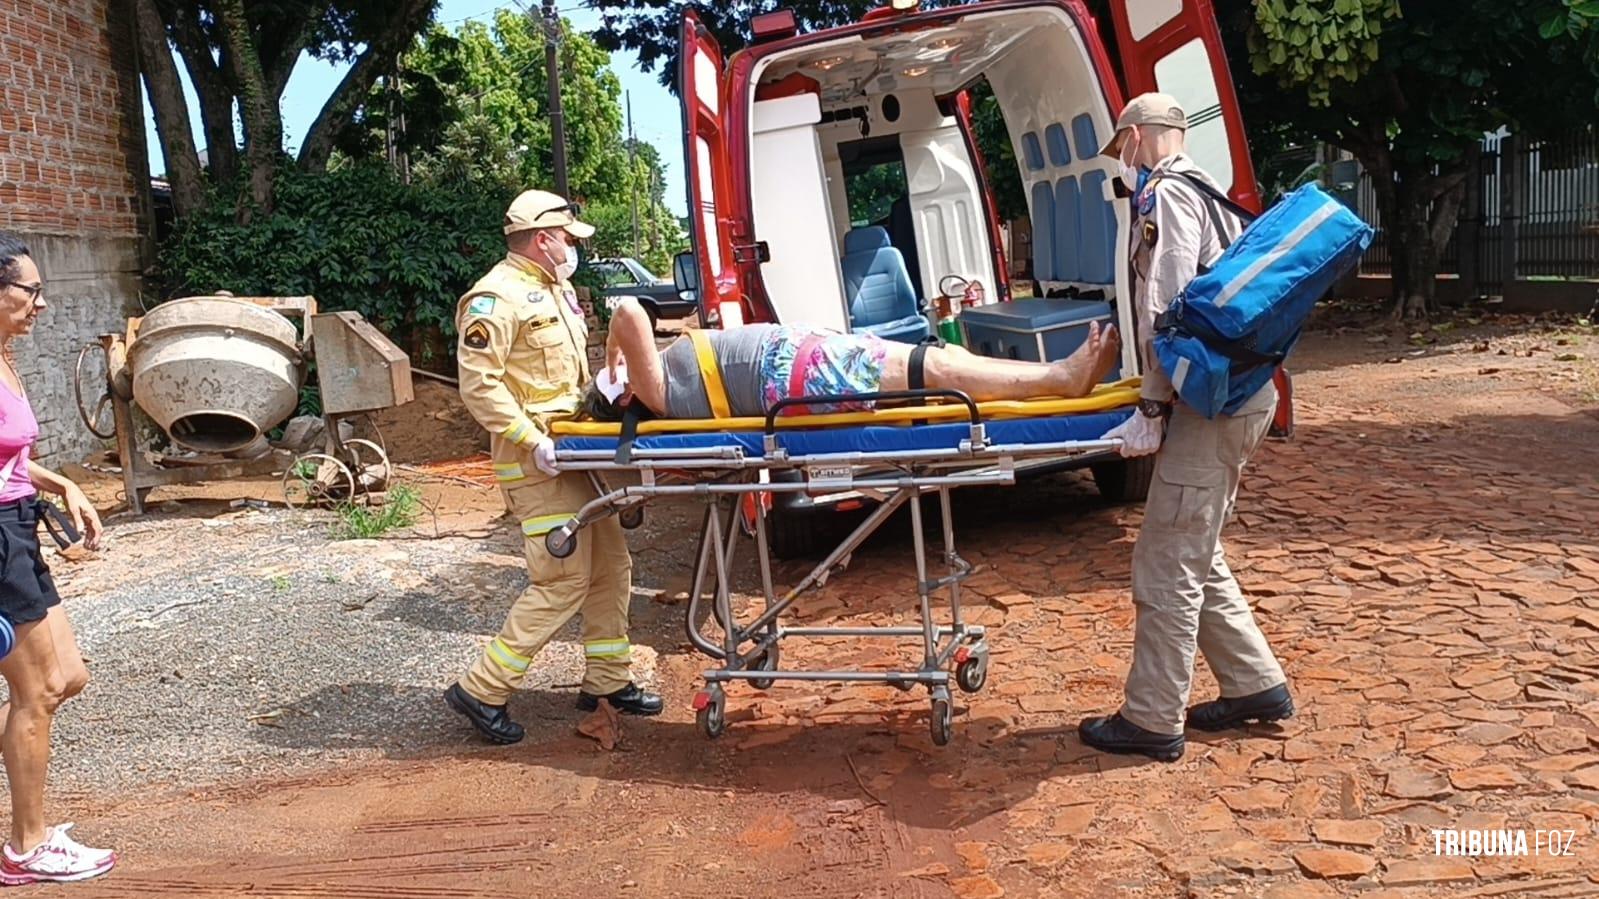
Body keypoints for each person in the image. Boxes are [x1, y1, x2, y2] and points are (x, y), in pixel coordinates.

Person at [1077, 94, 1293, 762]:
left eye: (1125, 150)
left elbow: (1162, 302)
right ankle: (1254, 684)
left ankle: (1150, 719)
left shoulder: (1166, 196)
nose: (1128, 163)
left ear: (1136, 137)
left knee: (1166, 558)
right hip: (1241, 395)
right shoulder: (1213, 194)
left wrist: (1148, 404)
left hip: (1213, 404)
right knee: (1194, 546)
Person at [443, 191, 662, 745]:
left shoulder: (555, 290)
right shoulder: (495, 298)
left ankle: (608, 683)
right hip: (536, 462)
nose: (573, 248)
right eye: (568, 239)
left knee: (612, 566)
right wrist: (528, 438)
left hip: (575, 453)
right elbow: (480, 385)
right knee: (562, 578)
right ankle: (482, 689)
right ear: (543, 239)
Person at [0, 234, 117, 883]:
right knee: (37, 688)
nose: (41, 302)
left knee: (65, 676)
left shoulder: (6, 356)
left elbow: (11, 455)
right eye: (30, 290)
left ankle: (24, 777)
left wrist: (64, 484)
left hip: (18, 526)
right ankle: (27, 846)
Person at [590, 296, 1122, 420]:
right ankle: (1060, 377)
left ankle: (1056, 378)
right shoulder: (657, 393)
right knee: (931, 370)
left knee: (941, 356)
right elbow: (631, 311)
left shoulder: (663, 382)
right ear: (627, 391)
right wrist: (616, 347)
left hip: (802, 364)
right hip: (799, 375)